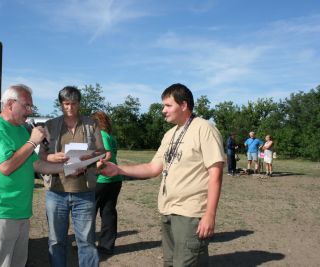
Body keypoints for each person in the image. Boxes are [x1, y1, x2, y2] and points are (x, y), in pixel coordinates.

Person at [99, 83, 225, 266]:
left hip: (190, 213)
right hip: (167, 211)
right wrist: (119, 170)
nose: (163, 110)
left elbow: (216, 174)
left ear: (183, 105)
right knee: (170, 263)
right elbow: (152, 168)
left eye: (168, 105)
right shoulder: (170, 135)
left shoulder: (204, 129)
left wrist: (210, 215)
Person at [0, 84, 63, 267]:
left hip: (19, 211)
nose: (30, 111)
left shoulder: (21, 130)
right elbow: (6, 167)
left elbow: (36, 164)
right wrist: (32, 141)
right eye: (26, 106)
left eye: (31, 107)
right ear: (9, 104)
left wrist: (68, 168)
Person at [39, 86, 104, 267]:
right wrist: (51, 157)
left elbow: (102, 152)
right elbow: (40, 156)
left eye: (73, 104)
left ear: (79, 104)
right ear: (60, 104)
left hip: (84, 192)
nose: (70, 108)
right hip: (56, 192)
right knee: (56, 241)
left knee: (87, 242)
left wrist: (87, 159)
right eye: (66, 104)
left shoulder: (92, 124)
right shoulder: (50, 125)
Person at [91, 111, 123, 255]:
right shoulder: (110, 136)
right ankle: (106, 245)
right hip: (115, 179)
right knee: (108, 211)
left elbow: (107, 154)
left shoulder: (101, 135)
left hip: (102, 180)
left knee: (88, 212)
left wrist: (94, 170)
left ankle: (86, 244)